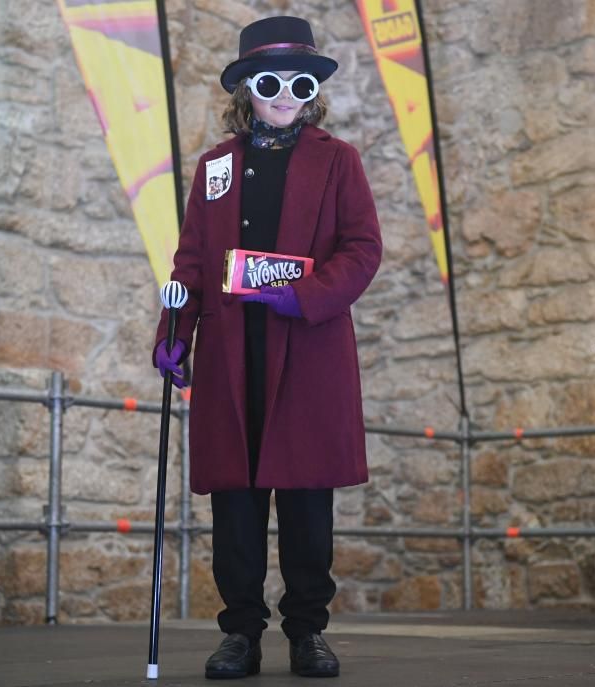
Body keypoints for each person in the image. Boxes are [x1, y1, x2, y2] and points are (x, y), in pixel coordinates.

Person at [152, 15, 382, 680]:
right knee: (236, 506)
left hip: (306, 352)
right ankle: (241, 633)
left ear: (313, 93)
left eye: (300, 83)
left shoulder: (339, 162)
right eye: (270, 81)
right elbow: (192, 259)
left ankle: (308, 630)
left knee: (308, 504)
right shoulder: (215, 167)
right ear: (246, 88)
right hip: (232, 355)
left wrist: (306, 294)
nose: (286, 94)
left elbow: (362, 248)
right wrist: (173, 333)